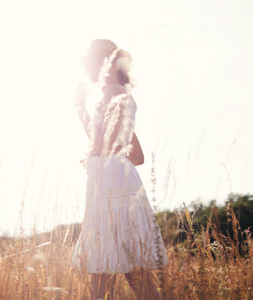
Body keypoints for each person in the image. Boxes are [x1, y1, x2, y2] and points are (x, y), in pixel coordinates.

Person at [71, 39, 168, 300]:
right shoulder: (112, 97)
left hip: (112, 192)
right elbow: (136, 155)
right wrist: (106, 163)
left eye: (92, 63)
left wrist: (80, 109)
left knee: (103, 272)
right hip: (113, 186)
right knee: (130, 274)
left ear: (108, 64)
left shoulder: (116, 95)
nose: (89, 70)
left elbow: (104, 145)